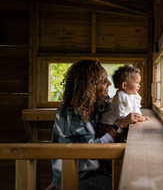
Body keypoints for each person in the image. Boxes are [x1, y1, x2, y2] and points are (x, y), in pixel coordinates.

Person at [51, 59, 146, 190]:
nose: (110, 83)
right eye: (103, 81)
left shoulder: (100, 103)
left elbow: (123, 105)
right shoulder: (69, 112)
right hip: (75, 175)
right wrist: (120, 126)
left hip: (97, 170)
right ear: (88, 86)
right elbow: (90, 150)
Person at [98, 65, 149, 141]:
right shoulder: (120, 97)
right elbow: (121, 116)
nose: (139, 86)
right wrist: (136, 118)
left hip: (116, 125)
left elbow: (135, 109)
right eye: (137, 82)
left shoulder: (132, 95)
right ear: (124, 85)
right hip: (107, 126)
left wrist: (139, 116)